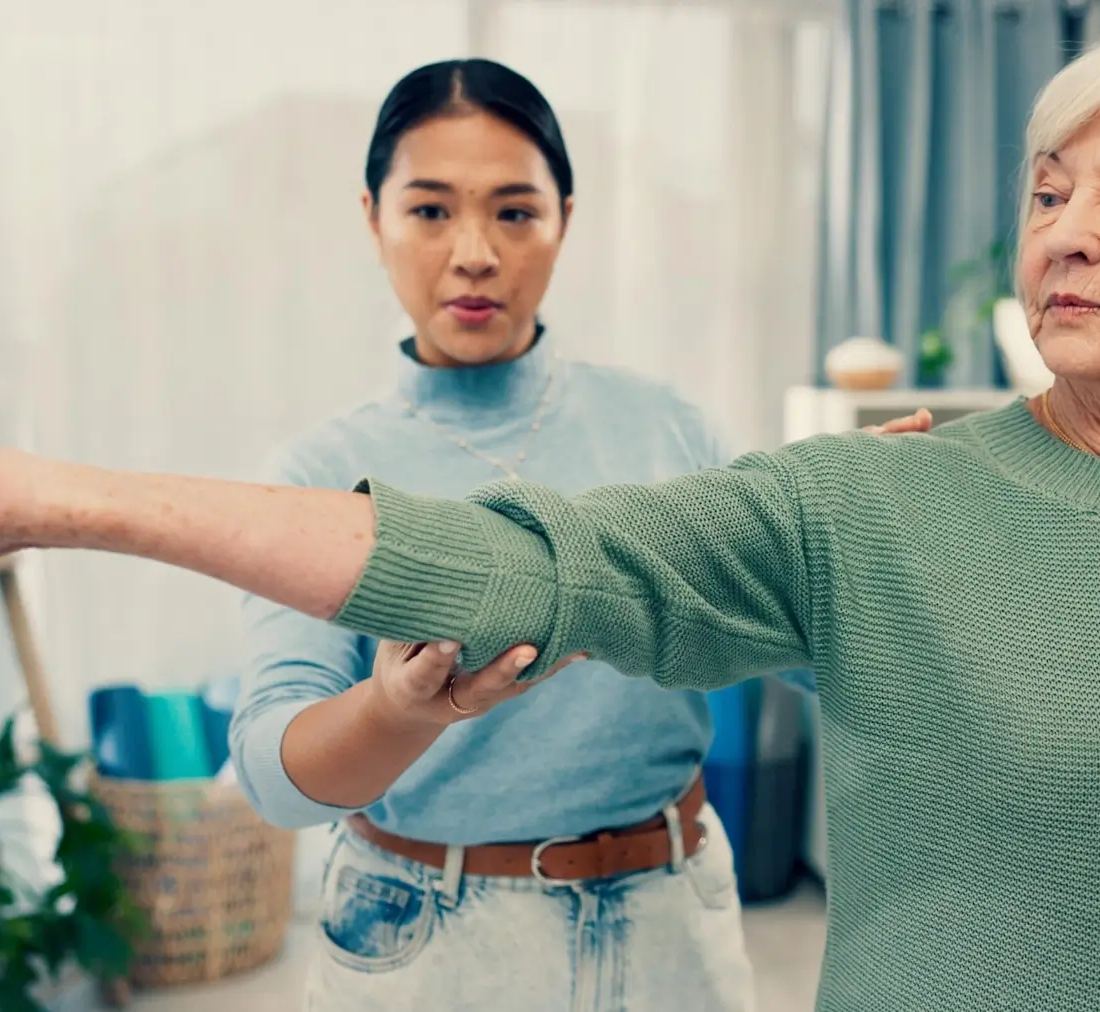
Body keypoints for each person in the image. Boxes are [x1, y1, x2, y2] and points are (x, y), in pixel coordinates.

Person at [0, 24, 1100, 1012]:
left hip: (662, 906)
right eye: (1047, 189)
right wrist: (36, 498)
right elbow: (525, 564)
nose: (1065, 230)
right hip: (435, 934)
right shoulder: (870, 499)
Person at [227, 56, 923, 1010]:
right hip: (425, 936)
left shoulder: (667, 426)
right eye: (430, 210)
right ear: (372, 216)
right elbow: (274, 773)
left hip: (675, 915)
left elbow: (807, 652)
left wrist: (851, 531)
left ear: (565, 219)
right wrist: (397, 712)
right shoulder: (319, 471)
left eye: (515, 211)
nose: (474, 252)